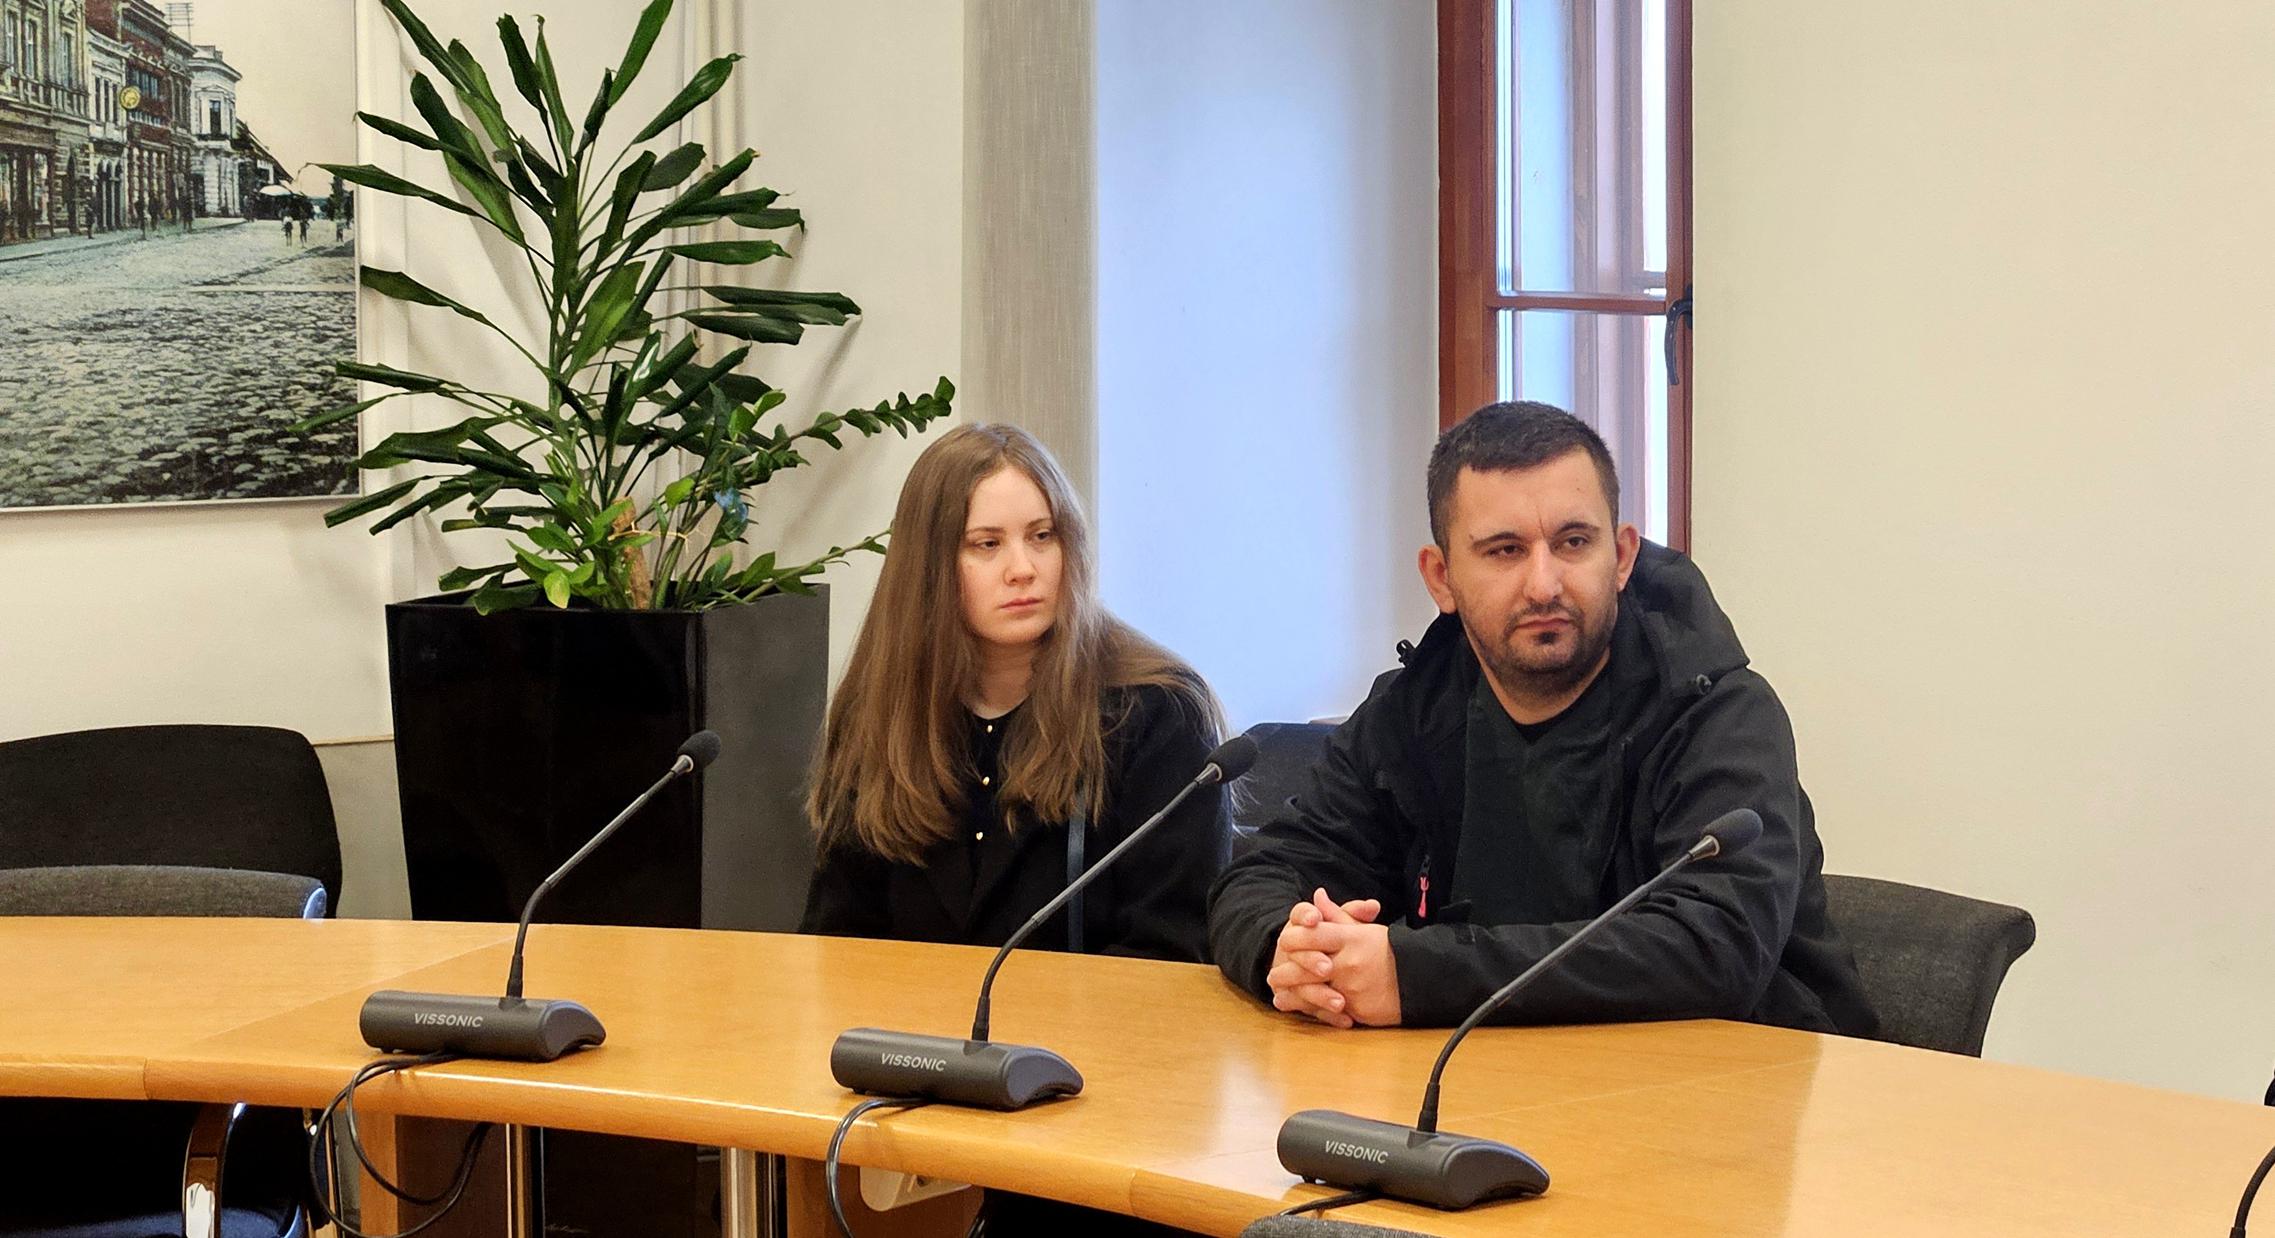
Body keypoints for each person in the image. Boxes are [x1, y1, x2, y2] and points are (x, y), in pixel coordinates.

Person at [1208, 401, 1878, 1038]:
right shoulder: (1409, 712)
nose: (1544, 584)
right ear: (1441, 577)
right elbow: (1264, 874)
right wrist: (1288, 950)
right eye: (1504, 550)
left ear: (1621, 556)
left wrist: (1415, 974)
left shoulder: (1717, 712)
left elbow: (1715, 947)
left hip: (1735, 1085)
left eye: (1572, 542)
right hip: (1490, 1079)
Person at [802, 422, 1230, 962]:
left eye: (1042, 536)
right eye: (988, 544)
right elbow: (837, 943)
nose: (1023, 570)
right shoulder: (879, 712)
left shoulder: (1158, 711)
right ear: (929, 568)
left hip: (1095, 1019)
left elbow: (1173, 951)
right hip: (907, 1018)